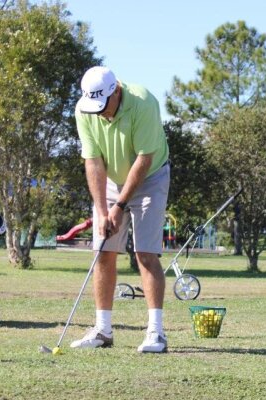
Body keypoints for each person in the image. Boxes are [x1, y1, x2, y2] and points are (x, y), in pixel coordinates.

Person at [71, 66, 171, 352]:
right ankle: (103, 331)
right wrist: (103, 211)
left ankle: (156, 334)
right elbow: (93, 162)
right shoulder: (85, 110)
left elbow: (144, 159)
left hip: (150, 177)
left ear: (116, 91)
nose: (100, 113)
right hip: (113, 180)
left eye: (104, 106)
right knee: (103, 251)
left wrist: (121, 206)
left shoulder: (143, 102)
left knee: (146, 253)